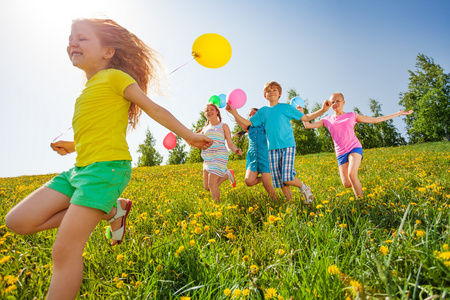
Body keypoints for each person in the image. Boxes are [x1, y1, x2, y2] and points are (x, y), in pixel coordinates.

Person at [4, 18, 212, 300]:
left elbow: (153, 109)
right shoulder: (86, 91)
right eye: (70, 38)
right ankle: (113, 211)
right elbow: (97, 131)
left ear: (108, 51)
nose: (72, 43)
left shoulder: (116, 78)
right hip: (79, 171)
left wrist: (188, 135)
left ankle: (108, 210)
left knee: (64, 250)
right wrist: (73, 145)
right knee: (18, 221)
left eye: (82, 38)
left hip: (107, 170)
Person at [226, 81, 331, 203]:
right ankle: (291, 203)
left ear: (280, 93)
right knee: (281, 181)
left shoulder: (285, 108)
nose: (271, 92)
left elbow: (306, 118)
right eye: (268, 91)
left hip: (287, 145)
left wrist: (323, 110)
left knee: (286, 178)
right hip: (272, 149)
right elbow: (248, 123)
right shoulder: (262, 111)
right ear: (265, 95)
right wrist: (233, 112)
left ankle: (304, 187)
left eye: (274, 90)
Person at [301, 92, 413, 198]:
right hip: (340, 153)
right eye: (332, 102)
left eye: (337, 101)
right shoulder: (327, 120)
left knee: (352, 174)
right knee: (347, 184)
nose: (335, 104)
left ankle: (361, 202)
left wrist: (398, 114)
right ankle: (357, 189)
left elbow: (374, 120)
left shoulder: (352, 115)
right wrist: (301, 113)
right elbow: (308, 125)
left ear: (343, 102)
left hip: (354, 147)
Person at [234, 108, 292, 201]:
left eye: (254, 113)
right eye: (250, 114)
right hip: (253, 159)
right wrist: (233, 111)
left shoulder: (265, 126)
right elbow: (238, 119)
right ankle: (266, 178)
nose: (251, 115)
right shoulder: (249, 128)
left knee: (267, 184)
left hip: (265, 158)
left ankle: (276, 203)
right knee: (248, 181)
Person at [199, 103, 243, 202]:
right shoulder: (204, 129)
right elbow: (198, 142)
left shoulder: (223, 126)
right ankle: (228, 174)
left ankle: (217, 208)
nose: (209, 111)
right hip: (207, 157)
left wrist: (236, 150)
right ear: (205, 114)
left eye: (212, 109)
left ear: (217, 112)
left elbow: (230, 143)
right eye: (207, 110)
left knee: (212, 183)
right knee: (207, 187)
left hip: (219, 155)